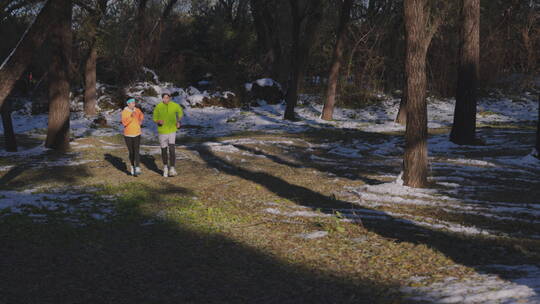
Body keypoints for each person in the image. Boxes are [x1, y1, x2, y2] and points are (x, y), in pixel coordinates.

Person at [152, 92, 183, 177]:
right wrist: (158, 121)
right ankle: (165, 167)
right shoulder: (158, 106)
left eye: (167, 98)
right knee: (164, 150)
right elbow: (154, 118)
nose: (165, 99)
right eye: (164, 98)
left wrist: (178, 121)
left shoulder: (175, 105)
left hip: (172, 130)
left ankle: (172, 168)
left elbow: (180, 112)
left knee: (172, 150)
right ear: (162, 99)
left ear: (170, 98)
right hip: (162, 131)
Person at [121, 98, 144, 176]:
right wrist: (131, 116)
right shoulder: (124, 112)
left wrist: (140, 120)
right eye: (131, 103)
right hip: (128, 134)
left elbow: (141, 115)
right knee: (131, 152)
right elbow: (124, 123)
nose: (133, 104)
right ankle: (132, 166)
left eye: (134, 103)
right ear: (128, 104)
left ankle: (137, 167)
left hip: (137, 133)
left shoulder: (137, 110)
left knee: (136, 150)